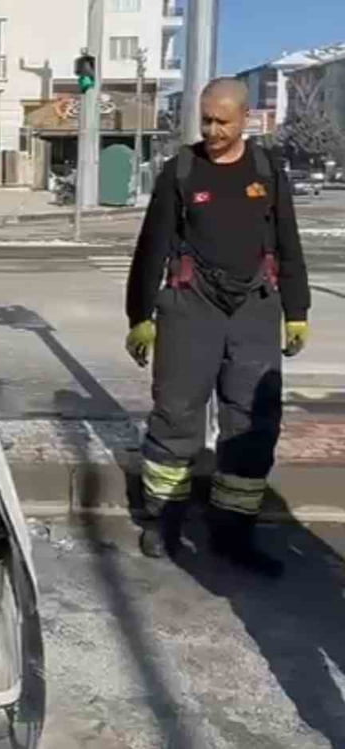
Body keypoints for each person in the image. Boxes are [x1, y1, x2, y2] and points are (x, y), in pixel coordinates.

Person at [125, 77, 310, 576]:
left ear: (245, 117)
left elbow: (288, 241)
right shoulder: (181, 170)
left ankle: (233, 532)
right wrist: (140, 316)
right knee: (177, 413)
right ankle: (162, 519)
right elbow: (152, 247)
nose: (211, 129)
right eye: (205, 119)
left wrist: (297, 310)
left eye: (221, 120)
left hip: (255, 307)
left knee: (252, 421)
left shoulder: (268, 169)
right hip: (191, 304)